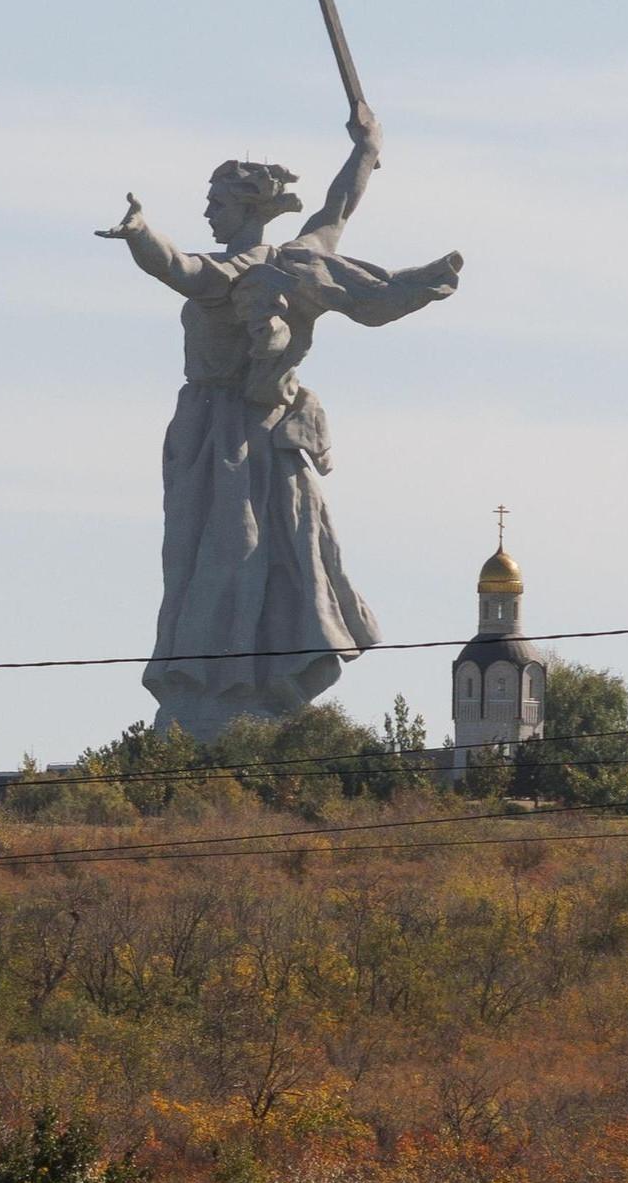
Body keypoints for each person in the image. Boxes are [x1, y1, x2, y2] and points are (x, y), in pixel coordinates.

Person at [101, 107, 462, 736]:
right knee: (199, 561)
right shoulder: (268, 263)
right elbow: (332, 210)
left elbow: (181, 265)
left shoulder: (255, 270)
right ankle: (213, 689)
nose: (208, 212)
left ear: (247, 209)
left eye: (217, 202)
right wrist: (366, 149)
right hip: (210, 434)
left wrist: (141, 235)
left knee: (245, 555)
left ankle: (240, 691)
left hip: (242, 437)